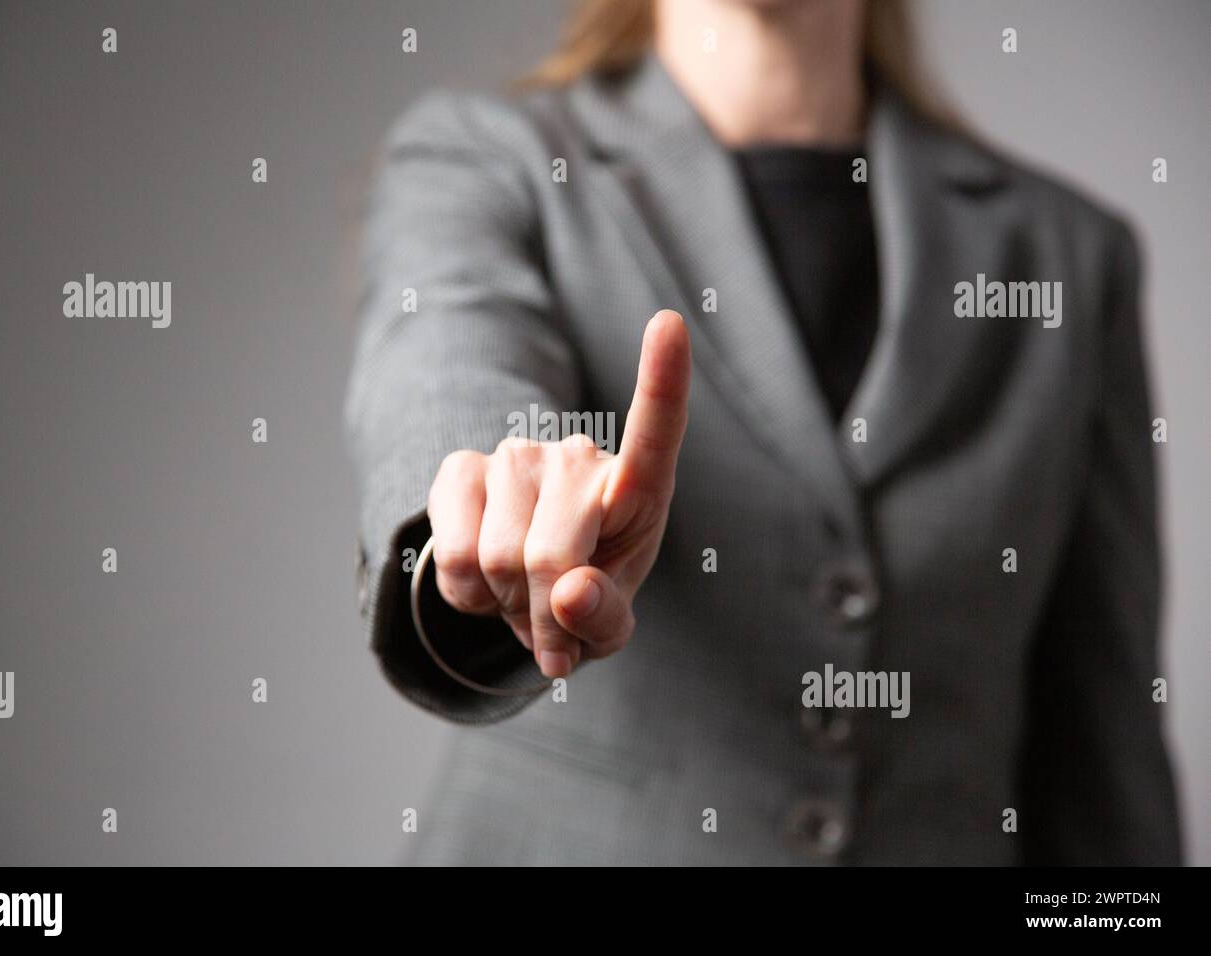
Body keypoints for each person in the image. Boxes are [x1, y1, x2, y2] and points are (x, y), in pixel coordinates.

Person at [344, 0, 1182, 865]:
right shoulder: (484, 161)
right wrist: (497, 508)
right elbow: (448, 358)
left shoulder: (1072, 257)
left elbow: (1104, 759)